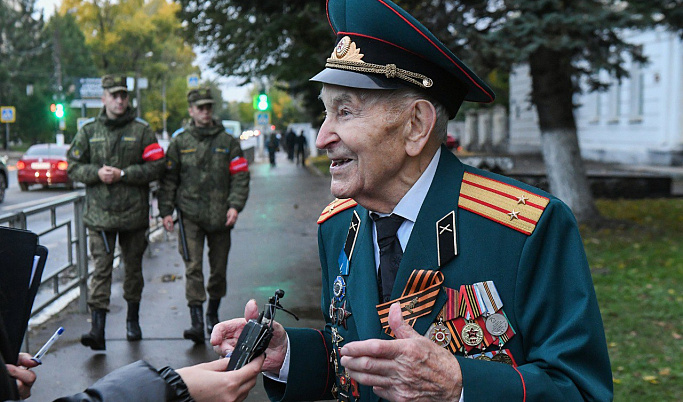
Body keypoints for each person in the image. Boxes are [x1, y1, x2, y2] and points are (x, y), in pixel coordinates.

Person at [211, 0, 613, 401]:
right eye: (325, 113)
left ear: (416, 125)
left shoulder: (525, 229)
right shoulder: (337, 226)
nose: (322, 137)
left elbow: (581, 390)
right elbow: (355, 358)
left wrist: (460, 385)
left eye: (345, 111)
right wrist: (289, 355)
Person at [67, 75, 166, 351]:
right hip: (100, 216)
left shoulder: (142, 130)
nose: (119, 100)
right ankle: (96, 329)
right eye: (114, 95)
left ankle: (132, 322)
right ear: (104, 98)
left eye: (123, 95)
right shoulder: (88, 131)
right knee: (101, 271)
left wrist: (124, 174)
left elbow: (158, 166)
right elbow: (73, 166)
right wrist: (96, 173)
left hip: (133, 216)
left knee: (133, 271)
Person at [159, 88, 250, 344]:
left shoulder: (228, 142)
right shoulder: (180, 142)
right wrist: (166, 211)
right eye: (200, 107)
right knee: (193, 268)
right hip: (190, 216)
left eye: (208, 107)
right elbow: (169, 180)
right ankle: (196, 322)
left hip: (221, 215)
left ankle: (212, 314)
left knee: (218, 270)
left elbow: (240, 175)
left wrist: (235, 206)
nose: (205, 111)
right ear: (191, 110)